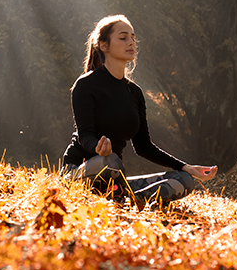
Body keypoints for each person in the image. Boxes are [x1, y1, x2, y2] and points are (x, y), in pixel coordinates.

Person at [61, 15, 217, 207]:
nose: (131, 42)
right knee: (109, 160)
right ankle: (118, 196)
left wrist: (186, 167)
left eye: (133, 38)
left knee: (184, 180)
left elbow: (144, 146)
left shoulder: (134, 93)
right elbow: (84, 136)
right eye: (123, 37)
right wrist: (97, 147)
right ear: (103, 45)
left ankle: (133, 200)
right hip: (81, 170)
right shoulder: (85, 85)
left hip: (115, 177)